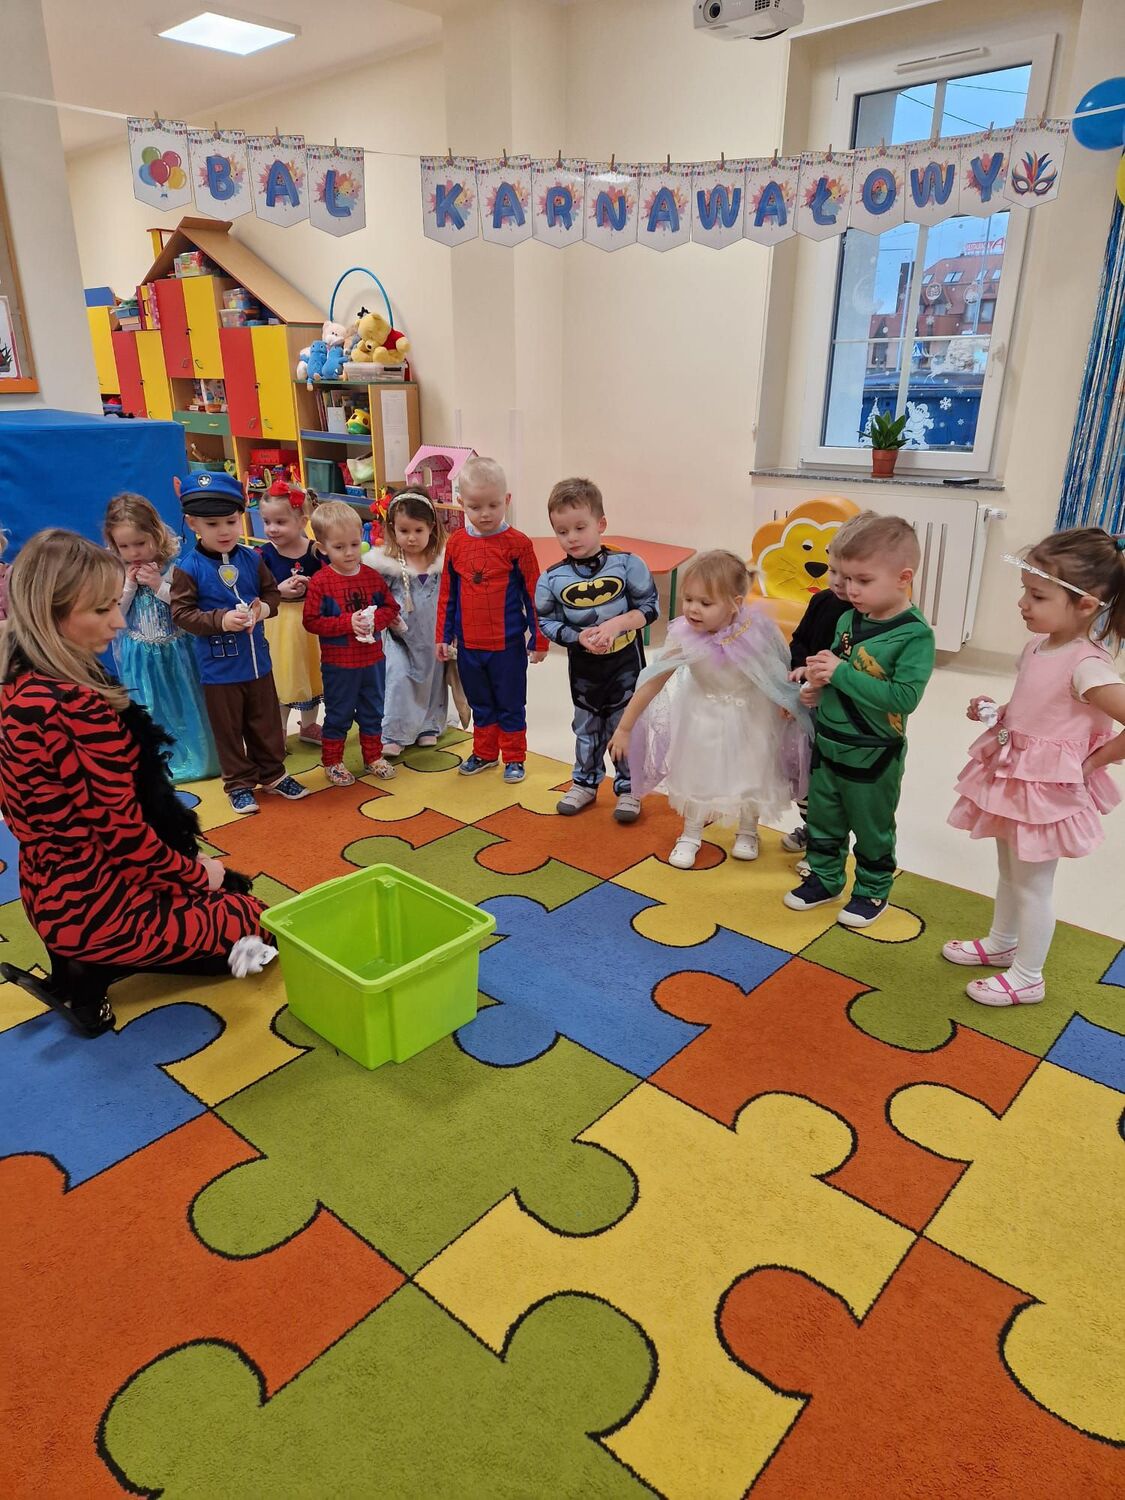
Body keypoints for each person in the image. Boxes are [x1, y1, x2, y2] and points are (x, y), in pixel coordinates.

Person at [0, 530, 273, 1038]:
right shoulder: (77, 708)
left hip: (48, 891)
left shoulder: (17, 683)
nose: (120, 621)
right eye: (102, 609)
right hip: (102, 902)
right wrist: (199, 875)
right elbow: (124, 836)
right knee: (257, 922)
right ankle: (96, 964)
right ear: (51, 614)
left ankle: (78, 965)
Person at [945, 528, 1125, 1006]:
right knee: (1009, 870)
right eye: (1025, 591)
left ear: (1086, 605)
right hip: (1015, 779)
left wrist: (1095, 762)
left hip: (1045, 792)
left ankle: (1029, 976)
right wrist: (998, 711)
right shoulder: (1038, 647)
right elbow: (1037, 705)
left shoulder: (1088, 665)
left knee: (1033, 886)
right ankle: (1003, 943)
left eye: (1038, 596)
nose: (1023, 603)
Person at [607, 550, 809, 869]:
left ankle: (748, 830)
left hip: (752, 717)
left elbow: (776, 671)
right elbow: (653, 679)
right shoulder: (684, 636)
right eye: (688, 599)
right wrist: (625, 727)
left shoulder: (757, 631)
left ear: (735, 603)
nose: (692, 609)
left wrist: (787, 703)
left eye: (705, 602)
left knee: (753, 771)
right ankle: (690, 834)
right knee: (697, 773)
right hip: (702, 715)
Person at [784, 514, 935, 928]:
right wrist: (818, 688)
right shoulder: (848, 618)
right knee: (824, 819)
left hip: (875, 753)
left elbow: (904, 699)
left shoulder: (914, 635)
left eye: (863, 580)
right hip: (830, 743)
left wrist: (840, 674)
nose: (850, 589)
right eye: (847, 578)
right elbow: (837, 669)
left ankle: (871, 890)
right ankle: (825, 878)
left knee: (872, 829)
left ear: (903, 578)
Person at [171, 471, 310, 815]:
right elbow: (182, 614)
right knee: (229, 729)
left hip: (258, 662)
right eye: (212, 524)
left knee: (266, 722)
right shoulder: (188, 568)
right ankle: (238, 784)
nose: (224, 531)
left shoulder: (252, 558)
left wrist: (262, 610)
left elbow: (271, 594)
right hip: (219, 670)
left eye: (231, 522)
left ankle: (273, 774)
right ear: (193, 524)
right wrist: (221, 620)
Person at [536, 477, 659, 823]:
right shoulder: (552, 579)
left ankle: (630, 787)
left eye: (580, 527)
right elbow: (545, 622)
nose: (572, 538)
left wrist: (617, 624)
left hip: (625, 662)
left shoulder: (628, 565)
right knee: (587, 724)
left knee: (625, 724)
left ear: (601, 524)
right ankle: (585, 783)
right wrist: (577, 637)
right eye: (562, 531)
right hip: (584, 667)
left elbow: (651, 607)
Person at [435, 456, 548, 784]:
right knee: (481, 702)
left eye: (493, 505)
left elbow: (534, 594)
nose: (485, 514)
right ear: (461, 504)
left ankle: (514, 757)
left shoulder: (518, 544)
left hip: (507, 646)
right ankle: (484, 753)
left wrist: (539, 638)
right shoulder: (456, 543)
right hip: (469, 646)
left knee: (510, 703)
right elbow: (448, 594)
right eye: (475, 506)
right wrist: (443, 635)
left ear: (507, 500)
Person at [104, 491, 218, 785]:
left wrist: (158, 585)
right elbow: (116, 614)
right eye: (124, 546)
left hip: (177, 650)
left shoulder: (174, 567)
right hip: (140, 655)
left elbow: (185, 605)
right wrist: (129, 586)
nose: (133, 552)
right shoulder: (117, 572)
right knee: (150, 706)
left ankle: (200, 758)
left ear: (155, 534)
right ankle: (160, 763)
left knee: (186, 701)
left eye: (140, 543)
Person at [782, 511, 867, 863]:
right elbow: (799, 640)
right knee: (804, 773)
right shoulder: (821, 601)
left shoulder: (867, 617)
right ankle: (812, 827)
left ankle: (828, 841)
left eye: (849, 577)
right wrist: (800, 666)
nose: (838, 583)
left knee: (830, 782)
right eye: (833, 572)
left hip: (841, 713)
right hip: (808, 706)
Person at [302, 499, 400, 787]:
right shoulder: (321, 582)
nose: (349, 552)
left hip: (372, 662)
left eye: (355, 545)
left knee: (373, 711)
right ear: (322, 548)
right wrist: (347, 623)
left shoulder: (371, 577)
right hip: (339, 666)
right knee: (339, 713)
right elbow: (311, 621)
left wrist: (375, 620)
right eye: (339, 547)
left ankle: (373, 756)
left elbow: (391, 608)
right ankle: (332, 761)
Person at [363, 487, 449, 758]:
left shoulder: (441, 562)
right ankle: (394, 732)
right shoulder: (387, 564)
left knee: (432, 680)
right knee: (398, 677)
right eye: (404, 531)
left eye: (418, 530)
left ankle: (427, 726)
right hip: (398, 636)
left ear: (431, 528)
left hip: (431, 634)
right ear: (392, 529)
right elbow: (375, 598)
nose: (411, 538)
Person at [258, 479, 324, 748]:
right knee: (284, 675)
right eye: (266, 522)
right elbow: (255, 590)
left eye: (280, 522)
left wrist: (313, 585)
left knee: (312, 672)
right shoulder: (262, 555)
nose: (271, 528)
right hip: (281, 623)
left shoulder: (315, 551)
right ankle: (279, 730)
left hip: (312, 622)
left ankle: (309, 725)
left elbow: (330, 580)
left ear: (302, 522)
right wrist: (278, 590)